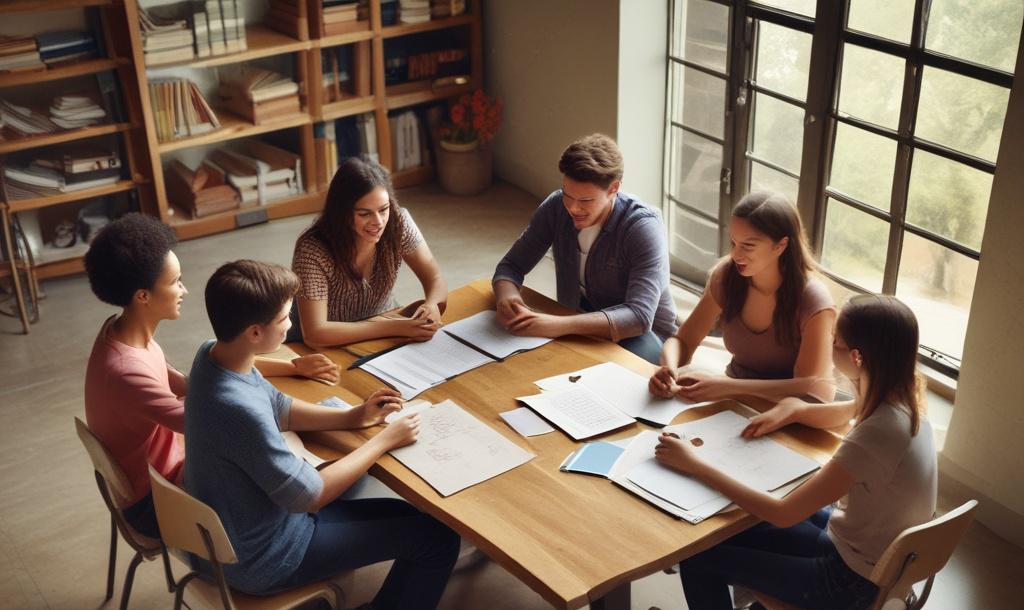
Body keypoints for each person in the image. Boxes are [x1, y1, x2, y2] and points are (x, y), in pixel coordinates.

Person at [184, 260, 476, 610]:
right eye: (284, 317)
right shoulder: (235, 410)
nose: (291, 323)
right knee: (437, 542)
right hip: (266, 555)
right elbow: (310, 495)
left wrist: (353, 416)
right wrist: (382, 441)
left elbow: (278, 404)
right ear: (254, 332)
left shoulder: (214, 355)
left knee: (424, 524)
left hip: (245, 530)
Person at [645, 295, 936, 610]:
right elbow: (844, 415)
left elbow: (784, 514)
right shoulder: (906, 404)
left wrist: (697, 465)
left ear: (856, 356)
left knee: (700, 556)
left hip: (847, 586)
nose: (830, 347)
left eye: (836, 342)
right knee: (739, 524)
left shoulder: (877, 434)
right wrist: (795, 411)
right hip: (872, 560)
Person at [83, 214, 337, 538]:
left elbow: (199, 383)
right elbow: (210, 415)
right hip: (158, 503)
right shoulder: (125, 370)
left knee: (286, 441)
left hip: (159, 477)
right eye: (175, 281)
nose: (184, 290)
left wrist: (289, 367)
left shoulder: (124, 336)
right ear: (142, 296)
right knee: (290, 459)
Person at [492, 133, 677, 364]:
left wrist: (557, 325)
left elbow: (638, 317)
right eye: (568, 195)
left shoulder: (642, 227)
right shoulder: (557, 207)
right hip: (579, 320)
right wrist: (507, 297)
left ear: (613, 189)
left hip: (646, 338)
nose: (573, 208)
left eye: (586, 201)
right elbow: (511, 266)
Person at [649, 190, 836, 404]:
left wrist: (726, 387)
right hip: (736, 400)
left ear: (781, 245)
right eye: (734, 243)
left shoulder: (813, 301)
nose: (736, 255)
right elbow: (682, 340)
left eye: (748, 246)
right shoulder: (728, 277)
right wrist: (668, 368)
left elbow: (805, 385)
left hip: (799, 414)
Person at [291, 157, 447, 347]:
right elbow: (315, 334)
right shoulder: (313, 250)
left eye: (383, 209)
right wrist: (393, 327)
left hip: (384, 323)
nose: (378, 222)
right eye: (364, 214)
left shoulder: (398, 222)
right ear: (342, 212)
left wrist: (431, 305)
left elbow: (435, 278)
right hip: (328, 344)